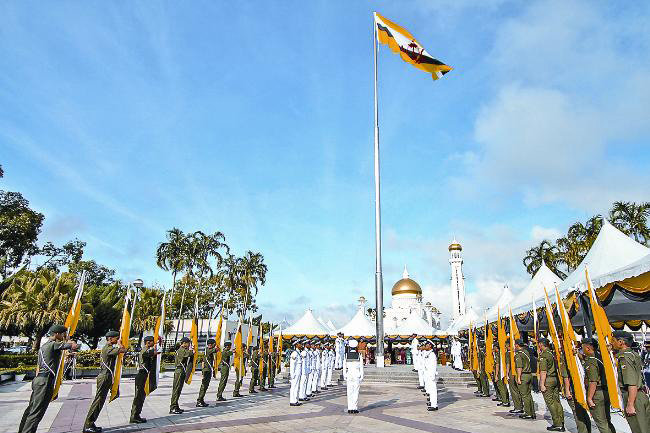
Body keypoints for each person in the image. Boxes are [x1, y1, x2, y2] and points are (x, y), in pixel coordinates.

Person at [19, 324, 79, 433]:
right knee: (36, 413)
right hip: (45, 381)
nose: (64, 336)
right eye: (62, 334)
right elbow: (74, 346)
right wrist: (69, 340)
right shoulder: (53, 345)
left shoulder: (45, 345)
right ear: (57, 334)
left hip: (39, 380)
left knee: (31, 410)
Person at [83, 330, 126, 432]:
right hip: (104, 376)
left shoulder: (109, 348)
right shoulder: (108, 349)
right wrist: (120, 344)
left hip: (107, 376)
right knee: (98, 401)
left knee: (100, 402)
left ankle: (91, 423)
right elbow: (123, 350)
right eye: (116, 338)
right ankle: (88, 425)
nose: (118, 339)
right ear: (110, 339)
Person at [612, 330, 650, 433]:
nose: (611, 343)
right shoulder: (633, 354)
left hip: (633, 397)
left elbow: (632, 383)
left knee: (639, 429)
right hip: (640, 395)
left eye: (613, 340)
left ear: (621, 342)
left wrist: (630, 404)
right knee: (645, 428)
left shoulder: (625, 358)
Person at [582, 338, 615, 433]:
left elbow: (593, 381)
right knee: (607, 421)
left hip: (596, 393)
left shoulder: (591, 361)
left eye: (583, 347)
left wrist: (589, 398)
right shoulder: (600, 357)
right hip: (605, 391)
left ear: (588, 348)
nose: (582, 349)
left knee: (601, 423)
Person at [558, 342, 592, 433]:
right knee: (583, 412)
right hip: (583, 387)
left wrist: (567, 390)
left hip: (575, 388)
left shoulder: (567, 356)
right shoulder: (581, 355)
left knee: (578, 413)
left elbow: (566, 376)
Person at [538, 338, 564, 431]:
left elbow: (543, 371)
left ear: (541, 344)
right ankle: (561, 421)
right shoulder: (552, 353)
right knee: (557, 401)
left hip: (548, 380)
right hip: (555, 379)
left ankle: (557, 423)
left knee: (550, 402)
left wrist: (542, 384)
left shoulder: (544, 355)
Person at [130, 335, 158, 423]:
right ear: (148, 342)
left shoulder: (147, 350)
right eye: (152, 341)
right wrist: (155, 351)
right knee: (138, 397)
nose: (154, 343)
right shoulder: (144, 350)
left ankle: (137, 415)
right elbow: (149, 354)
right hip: (141, 375)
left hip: (144, 375)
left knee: (141, 396)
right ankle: (134, 416)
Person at [169, 337, 193, 413]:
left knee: (178, 390)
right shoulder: (181, 350)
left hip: (181, 371)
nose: (189, 344)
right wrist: (193, 350)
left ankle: (175, 406)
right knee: (176, 390)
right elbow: (189, 354)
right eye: (188, 343)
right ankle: (173, 407)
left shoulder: (183, 349)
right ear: (184, 343)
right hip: (179, 372)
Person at [515, 339, 535, 419]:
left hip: (523, 375)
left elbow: (519, 367)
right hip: (529, 374)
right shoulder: (526, 352)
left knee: (524, 395)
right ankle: (532, 412)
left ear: (517, 345)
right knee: (529, 395)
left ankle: (528, 413)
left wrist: (519, 378)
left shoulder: (518, 354)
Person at [344, 339, 364, 413]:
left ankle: (350, 408)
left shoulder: (346, 355)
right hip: (356, 374)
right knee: (356, 391)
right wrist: (362, 375)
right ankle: (354, 408)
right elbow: (361, 367)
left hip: (349, 374)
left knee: (349, 391)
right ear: (356, 347)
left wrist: (345, 375)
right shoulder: (359, 355)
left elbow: (344, 367)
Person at [196, 338, 217, 407]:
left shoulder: (207, 350)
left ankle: (201, 400)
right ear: (212, 344)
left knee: (205, 386)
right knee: (204, 386)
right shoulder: (208, 350)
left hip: (207, 369)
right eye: (214, 344)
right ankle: (199, 400)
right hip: (207, 370)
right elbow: (216, 350)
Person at [506, 337, 523, 414]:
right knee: (519, 391)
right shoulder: (520, 352)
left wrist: (506, 374)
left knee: (514, 390)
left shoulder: (509, 352)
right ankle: (521, 406)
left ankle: (518, 407)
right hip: (519, 372)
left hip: (512, 373)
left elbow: (508, 364)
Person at [493, 343, 510, 407]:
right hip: (503, 372)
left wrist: (496, 375)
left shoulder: (498, 354)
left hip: (500, 372)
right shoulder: (502, 353)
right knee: (504, 387)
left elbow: (497, 365)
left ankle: (504, 401)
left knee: (501, 387)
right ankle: (506, 400)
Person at [424, 340, 438, 411]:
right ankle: (432, 403)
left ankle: (434, 405)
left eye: (426, 345)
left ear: (430, 346)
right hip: (428, 374)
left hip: (431, 375)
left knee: (433, 390)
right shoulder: (428, 353)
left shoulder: (432, 354)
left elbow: (433, 366)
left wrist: (432, 376)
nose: (425, 346)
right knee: (431, 390)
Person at [289, 340, 303, 406]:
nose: (301, 345)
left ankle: (296, 400)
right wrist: (292, 374)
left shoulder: (298, 353)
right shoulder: (294, 353)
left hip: (298, 373)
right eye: (300, 344)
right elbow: (292, 365)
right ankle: (292, 401)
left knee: (297, 386)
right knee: (294, 387)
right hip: (295, 374)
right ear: (296, 345)